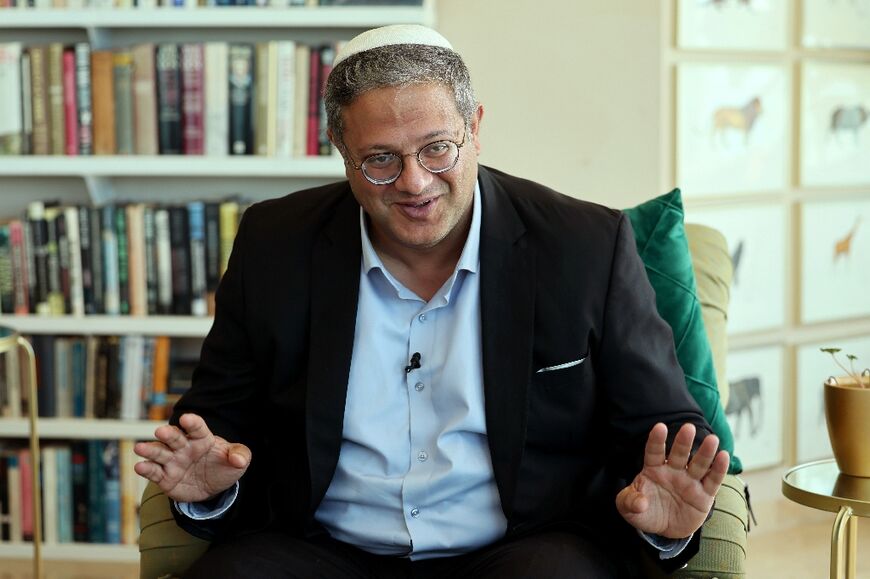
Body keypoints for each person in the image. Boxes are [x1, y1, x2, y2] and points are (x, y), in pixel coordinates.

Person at [133, 24, 729, 578]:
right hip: (323, 549)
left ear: (475, 126)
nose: (415, 182)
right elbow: (216, 423)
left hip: (524, 548)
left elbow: (662, 432)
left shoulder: (585, 246)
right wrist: (211, 489)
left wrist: (665, 525)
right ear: (341, 149)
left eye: (438, 148)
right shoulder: (274, 243)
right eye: (380, 159)